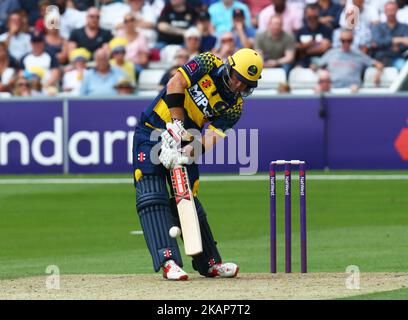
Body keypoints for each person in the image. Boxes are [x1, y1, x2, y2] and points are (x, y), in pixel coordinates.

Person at [132, 48, 263, 280]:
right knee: (152, 195)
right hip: (152, 132)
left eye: (247, 85)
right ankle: (168, 261)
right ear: (229, 67)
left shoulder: (235, 107)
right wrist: (176, 124)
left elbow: (211, 138)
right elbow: (176, 83)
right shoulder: (208, 62)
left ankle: (210, 263)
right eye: (238, 79)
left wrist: (186, 153)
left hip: (185, 142)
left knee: (188, 197)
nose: (239, 87)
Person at [316, 29, 383, 89]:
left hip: (353, 90)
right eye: (343, 41)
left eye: (349, 41)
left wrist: (378, 74)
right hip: (334, 89)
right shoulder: (331, 53)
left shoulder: (358, 54)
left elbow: (378, 65)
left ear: (352, 41)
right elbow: (317, 64)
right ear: (340, 40)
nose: (346, 43)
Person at [371, 1, 408, 70]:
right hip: (381, 58)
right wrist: (399, 39)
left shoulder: (404, 27)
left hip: (398, 58)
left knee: (404, 68)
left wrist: (398, 47)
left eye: (393, 10)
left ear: (397, 10)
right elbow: (378, 42)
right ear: (385, 12)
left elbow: (406, 43)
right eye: (388, 10)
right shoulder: (378, 27)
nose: (391, 13)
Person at [295, 3, 332, 68]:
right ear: (305, 15)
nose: (312, 19)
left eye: (315, 17)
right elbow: (296, 47)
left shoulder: (326, 29)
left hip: (321, 62)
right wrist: (311, 44)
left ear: (319, 15)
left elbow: (324, 48)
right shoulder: (301, 31)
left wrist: (304, 50)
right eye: (310, 17)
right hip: (303, 62)